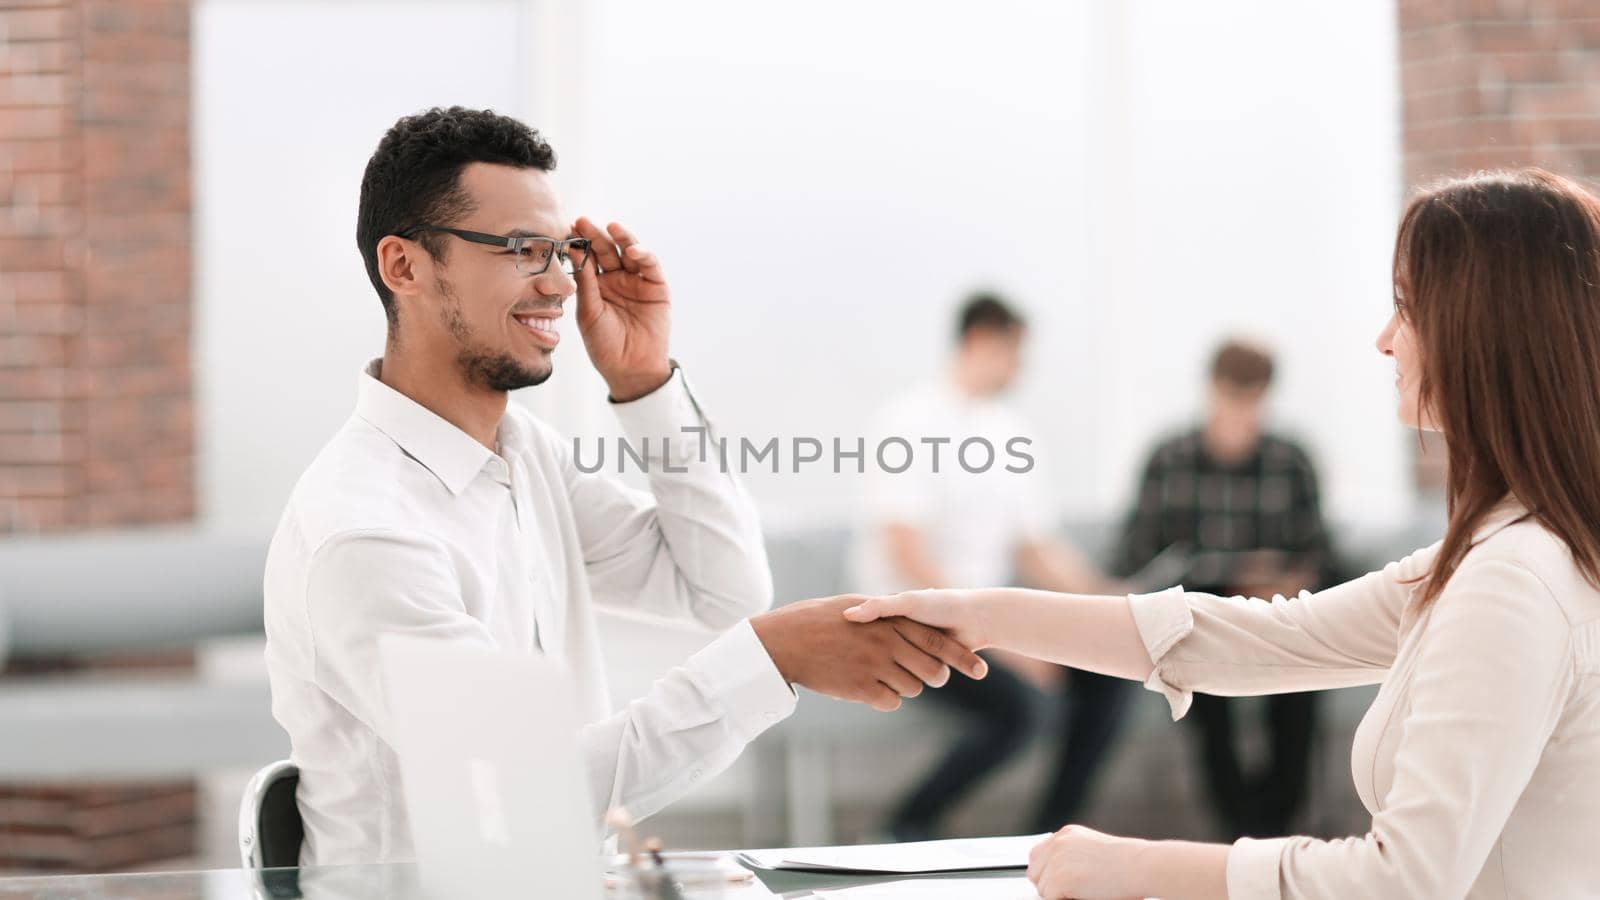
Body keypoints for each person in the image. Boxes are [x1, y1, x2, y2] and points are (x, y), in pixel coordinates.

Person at [836, 169, 1600, 899]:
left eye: (1407, 307)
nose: (1384, 339)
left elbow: (1402, 881)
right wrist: (977, 614)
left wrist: (1134, 865)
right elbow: (1249, 636)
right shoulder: (1501, 552)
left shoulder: (1512, 579)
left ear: (1484, 333)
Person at [261, 107, 986, 866]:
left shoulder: (520, 453)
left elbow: (722, 587)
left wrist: (645, 384)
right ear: (404, 266)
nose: (558, 284)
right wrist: (771, 659)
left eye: (561, 250)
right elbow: (527, 799)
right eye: (520, 250)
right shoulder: (366, 533)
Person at [852, 293, 1128, 839]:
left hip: (987, 614)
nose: (1021, 368)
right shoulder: (906, 423)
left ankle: (1055, 836)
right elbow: (904, 550)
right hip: (912, 621)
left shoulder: (1010, 432)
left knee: (1110, 676)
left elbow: (1035, 546)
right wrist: (1002, 640)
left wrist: (1107, 600)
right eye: (1015, 352)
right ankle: (907, 825)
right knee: (1023, 708)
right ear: (981, 340)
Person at [1113, 338, 1333, 838]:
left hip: (1275, 621)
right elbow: (1136, 558)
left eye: (1250, 401)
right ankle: (1238, 831)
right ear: (1211, 391)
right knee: (1203, 689)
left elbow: (1318, 555)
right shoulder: (1169, 458)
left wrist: (1275, 584)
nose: (1239, 414)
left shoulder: (1291, 461)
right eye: (1231, 398)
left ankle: (1275, 827)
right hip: (1195, 621)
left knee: (1302, 691)